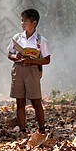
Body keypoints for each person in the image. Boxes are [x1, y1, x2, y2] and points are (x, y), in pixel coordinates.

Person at [7, 8, 51, 137]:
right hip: (19, 69)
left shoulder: (40, 40)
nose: (22, 24)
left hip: (32, 70)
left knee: (36, 101)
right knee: (20, 101)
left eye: (25, 21)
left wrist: (33, 60)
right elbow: (10, 53)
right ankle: (22, 130)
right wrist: (17, 57)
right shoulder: (17, 37)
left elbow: (47, 59)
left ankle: (42, 129)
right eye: (22, 21)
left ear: (34, 23)